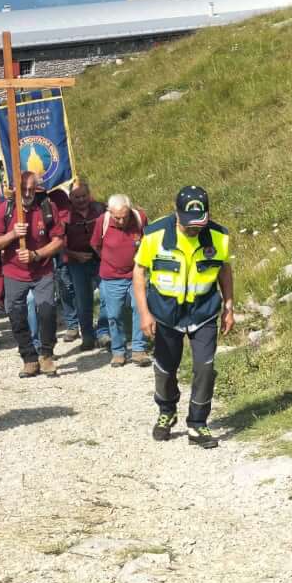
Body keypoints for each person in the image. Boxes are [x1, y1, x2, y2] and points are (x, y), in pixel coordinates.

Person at [133, 185, 234, 449]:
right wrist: (144, 313)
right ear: (177, 214)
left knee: (205, 367)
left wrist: (229, 307)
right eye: (189, 224)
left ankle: (198, 423)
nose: (194, 229)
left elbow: (224, 270)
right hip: (166, 313)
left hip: (204, 311)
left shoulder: (218, 236)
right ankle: (167, 411)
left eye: (199, 223)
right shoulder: (155, 234)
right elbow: (139, 272)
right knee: (165, 369)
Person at [0, 171, 65, 377]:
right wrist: (13, 234)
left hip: (42, 270)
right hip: (14, 272)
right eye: (24, 189)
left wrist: (36, 254)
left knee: (47, 311)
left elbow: (59, 240)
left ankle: (46, 355)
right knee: (16, 315)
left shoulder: (47, 207)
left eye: (32, 189)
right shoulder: (6, 209)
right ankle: (29, 358)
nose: (28, 193)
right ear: (16, 189)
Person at [92, 194, 149, 367]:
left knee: (139, 308)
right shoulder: (102, 221)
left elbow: (148, 241)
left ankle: (139, 349)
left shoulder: (139, 218)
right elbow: (95, 244)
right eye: (117, 218)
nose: (122, 221)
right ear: (110, 212)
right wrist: (110, 260)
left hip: (136, 274)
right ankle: (118, 351)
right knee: (114, 315)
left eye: (125, 217)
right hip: (111, 277)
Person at [63, 180, 107, 351]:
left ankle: (104, 332)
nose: (81, 200)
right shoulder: (65, 216)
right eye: (76, 197)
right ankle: (87, 335)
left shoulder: (100, 209)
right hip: (77, 261)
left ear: (89, 195)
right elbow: (58, 244)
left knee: (106, 295)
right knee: (83, 300)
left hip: (100, 259)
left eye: (84, 196)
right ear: (70, 197)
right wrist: (75, 255)